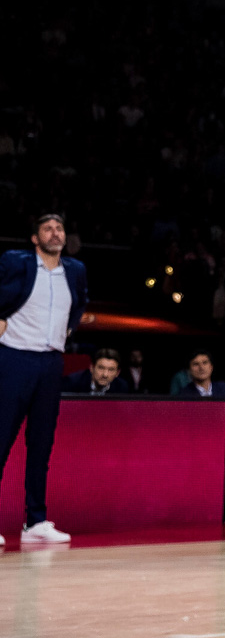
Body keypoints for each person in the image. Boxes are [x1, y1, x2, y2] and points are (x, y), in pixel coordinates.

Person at [0, 213, 88, 546]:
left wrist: (68, 330)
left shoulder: (75, 270)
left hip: (51, 363)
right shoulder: (16, 262)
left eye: (60, 228)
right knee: (2, 437)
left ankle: (35, 520)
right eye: (47, 229)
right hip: (14, 358)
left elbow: (80, 304)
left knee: (41, 444)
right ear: (35, 238)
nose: (55, 233)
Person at [174, 351, 225, 520]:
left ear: (212, 366)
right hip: (201, 452)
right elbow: (192, 435)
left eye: (205, 362)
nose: (201, 367)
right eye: (196, 364)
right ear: (189, 370)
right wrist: (223, 450)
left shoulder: (224, 389)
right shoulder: (184, 395)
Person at [63, 349, 128, 395]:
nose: (105, 375)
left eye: (111, 370)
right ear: (92, 368)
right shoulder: (73, 383)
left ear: (117, 373)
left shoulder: (121, 387)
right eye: (101, 368)